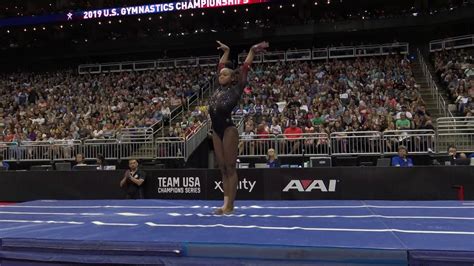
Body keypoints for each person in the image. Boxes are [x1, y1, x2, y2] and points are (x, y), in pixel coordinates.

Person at [209, 40, 269, 215]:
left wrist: (251, 51)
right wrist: (226, 50)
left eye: (225, 74)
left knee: (230, 166)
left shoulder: (236, 89)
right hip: (216, 130)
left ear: (232, 77)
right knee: (222, 168)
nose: (221, 76)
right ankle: (225, 203)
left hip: (228, 129)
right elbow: (221, 65)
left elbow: (245, 67)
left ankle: (231, 206)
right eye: (220, 75)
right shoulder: (216, 88)